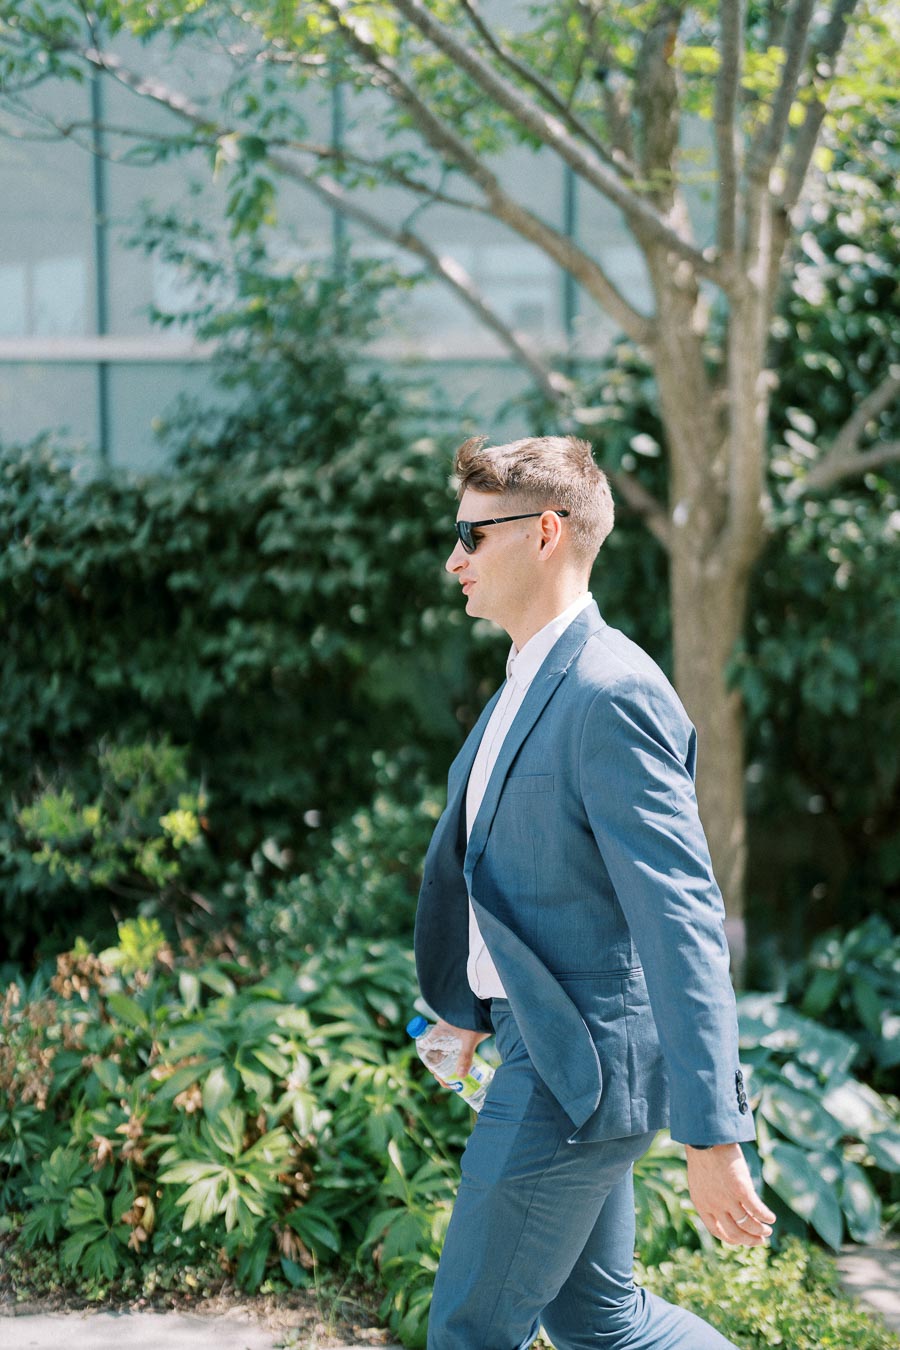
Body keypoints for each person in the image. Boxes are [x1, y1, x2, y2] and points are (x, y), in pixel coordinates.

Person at [413, 435, 776, 1350]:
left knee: (467, 1329)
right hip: (542, 1044)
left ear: (544, 531)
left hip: (577, 1074)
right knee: (603, 1323)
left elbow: (681, 921)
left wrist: (713, 1134)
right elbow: (506, 874)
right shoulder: (525, 683)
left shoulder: (612, 693)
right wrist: (466, 1008)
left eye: (470, 533)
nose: (454, 556)